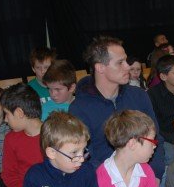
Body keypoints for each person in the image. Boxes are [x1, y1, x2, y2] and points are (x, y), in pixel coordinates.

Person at [70, 36, 165, 179]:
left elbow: (155, 137)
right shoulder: (79, 108)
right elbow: (85, 155)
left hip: (146, 174)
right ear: (100, 67)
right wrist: (114, 181)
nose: (127, 66)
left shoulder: (139, 96)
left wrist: (155, 175)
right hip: (105, 179)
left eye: (126, 61)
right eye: (120, 62)